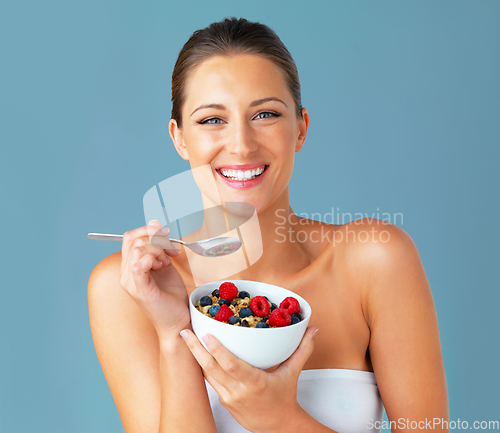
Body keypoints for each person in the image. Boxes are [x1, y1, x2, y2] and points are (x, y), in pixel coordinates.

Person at [88, 17, 449, 433]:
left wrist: (279, 418)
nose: (241, 144)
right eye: (211, 120)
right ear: (180, 137)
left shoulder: (377, 261)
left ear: (301, 128)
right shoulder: (128, 289)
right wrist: (175, 335)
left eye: (265, 114)